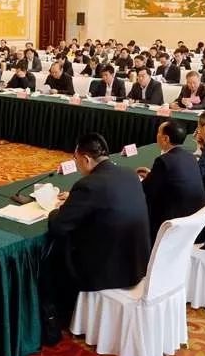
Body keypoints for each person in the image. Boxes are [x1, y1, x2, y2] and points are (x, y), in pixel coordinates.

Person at [40, 133, 151, 339]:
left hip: (107, 271)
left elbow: (59, 225)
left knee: (52, 255)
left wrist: (58, 209)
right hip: (137, 262)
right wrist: (75, 199)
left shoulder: (88, 185)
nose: (77, 165)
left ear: (86, 159)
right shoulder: (128, 174)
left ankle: (56, 318)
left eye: (76, 159)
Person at [137, 120, 205, 246]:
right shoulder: (190, 157)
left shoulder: (164, 160)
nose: (157, 135)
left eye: (158, 133)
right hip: (196, 221)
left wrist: (138, 180)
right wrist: (152, 175)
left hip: (174, 223)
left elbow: (147, 190)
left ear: (165, 138)